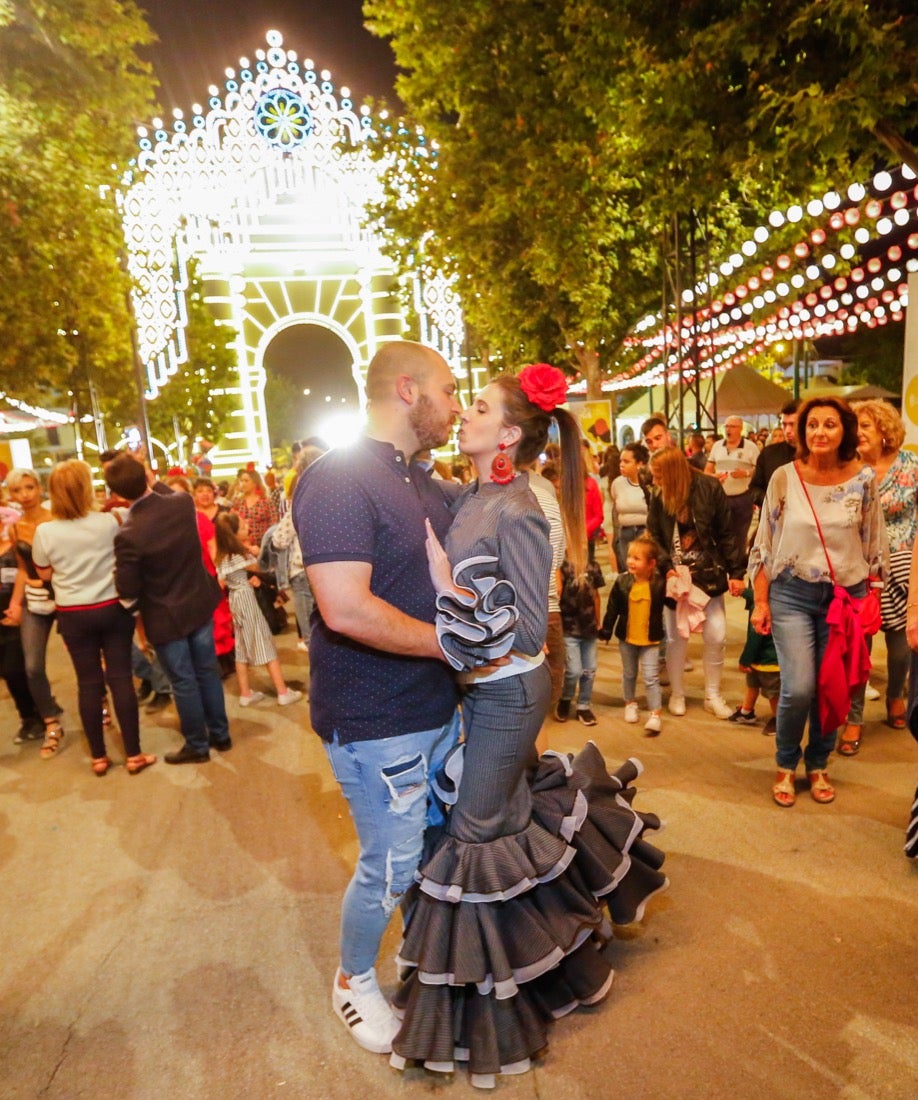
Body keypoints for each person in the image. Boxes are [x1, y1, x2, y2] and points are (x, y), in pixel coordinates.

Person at [391, 363, 667, 1087]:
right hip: (479, 694)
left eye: (478, 406)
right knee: (505, 825)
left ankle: (490, 1011)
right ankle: (563, 964)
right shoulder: (474, 494)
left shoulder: (519, 508)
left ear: (509, 434)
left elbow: (516, 629)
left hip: (508, 694)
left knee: (473, 842)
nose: (465, 414)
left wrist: (448, 598)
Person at [293, 340, 464, 1055]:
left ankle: (422, 957)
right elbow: (345, 608)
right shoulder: (338, 478)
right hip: (374, 717)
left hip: (436, 706)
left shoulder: (417, 478)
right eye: (451, 392)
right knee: (391, 862)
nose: (456, 405)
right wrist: (451, 645)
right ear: (407, 389)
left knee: (435, 848)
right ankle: (352, 979)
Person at [748, 397, 887, 808]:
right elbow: (764, 545)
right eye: (812, 425)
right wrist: (761, 601)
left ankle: (819, 763)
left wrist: (874, 597)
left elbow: (873, 542)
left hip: (846, 598)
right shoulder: (783, 478)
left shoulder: (863, 479)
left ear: (844, 430)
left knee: (833, 687)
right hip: (791, 593)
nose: (819, 432)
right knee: (799, 687)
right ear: (801, 431)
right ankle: (786, 763)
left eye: (829, 424)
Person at [105, 453, 231, 765]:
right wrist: (149, 475)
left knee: (184, 681)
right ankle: (221, 733)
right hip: (198, 601)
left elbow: (128, 588)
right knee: (207, 671)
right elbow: (165, 492)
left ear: (117, 494)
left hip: (164, 614)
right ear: (148, 477)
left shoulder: (129, 533)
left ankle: (197, 745)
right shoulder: (182, 503)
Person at [31, 461, 156, 775]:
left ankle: (99, 758)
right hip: (112, 607)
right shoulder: (110, 521)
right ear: (87, 487)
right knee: (121, 680)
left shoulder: (45, 531)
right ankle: (134, 754)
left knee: (88, 684)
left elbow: (43, 572)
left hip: (73, 613)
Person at [839, 399, 918, 753]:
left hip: (904, 568)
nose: (857, 433)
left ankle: (895, 696)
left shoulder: (912, 466)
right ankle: (853, 718)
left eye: (865, 426)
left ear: (884, 430)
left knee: (900, 649)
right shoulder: (849, 470)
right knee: (858, 650)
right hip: (861, 568)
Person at [647, 446, 745, 718]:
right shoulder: (659, 496)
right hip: (676, 578)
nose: (655, 482)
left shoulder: (709, 487)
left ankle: (712, 694)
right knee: (677, 637)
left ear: (673, 473)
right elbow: (654, 534)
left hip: (708, 574)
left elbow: (727, 533)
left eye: (659, 476)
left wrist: (737, 572)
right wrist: (666, 567)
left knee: (717, 634)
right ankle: (678, 693)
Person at [214, 512, 302, 706]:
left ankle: (246, 694)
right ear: (234, 533)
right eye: (243, 527)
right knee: (265, 643)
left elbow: (223, 580)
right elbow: (262, 568)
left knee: (242, 648)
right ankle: (282, 691)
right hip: (246, 600)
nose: (248, 528)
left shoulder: (222, 556)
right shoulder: (239, 555)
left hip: (235, 601)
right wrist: (257, 552)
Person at [5, 468, 64, 747]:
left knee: (85, 660)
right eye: (17, 490)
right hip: (33, 600)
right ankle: (50, 721)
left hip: (65, 595)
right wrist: (16, 604)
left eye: (29, 487)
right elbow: (20, 569)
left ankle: (101, 708)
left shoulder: (58, 518)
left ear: (39, 488)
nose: (25, 495)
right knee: (32, 667)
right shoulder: (16, 527)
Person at [599, 533, 666, 735]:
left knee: (651, 677)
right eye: (629, 557)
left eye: (636, 558)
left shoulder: (660, 584)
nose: (630, 561)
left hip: (650, 639)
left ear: (651, 563)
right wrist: (606, 630)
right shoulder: (622, 582)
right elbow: (612, 609)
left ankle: (655, 714)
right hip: (627, 639)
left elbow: (670, 604)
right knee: (629, 674)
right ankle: (630, 702)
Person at [0, 504, 43, 744]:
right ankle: (32, 713)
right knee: (6, 672)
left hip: (16, 612)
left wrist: (17, 605)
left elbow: (24, 573)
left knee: (14, 668)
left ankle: (34, 717)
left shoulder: (13, 539)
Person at [554, 555, 605, 726]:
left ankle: (584, 705)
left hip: (589, 627)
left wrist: (598, 621)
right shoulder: (562, 568)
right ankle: (566, 698)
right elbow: (558, 597)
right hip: (570, 628)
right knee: (573, 670)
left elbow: (596, 595)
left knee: (589, 669)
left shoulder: (593, 566)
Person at [729, 584, 780, 734]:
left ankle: (779, 720)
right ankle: (746, 711)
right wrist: (744, 591)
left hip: (769, 659)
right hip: (759, 658)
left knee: (773, 693)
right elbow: (757, 593)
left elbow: (755, 637)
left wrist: (744, 659)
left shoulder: (762, 608)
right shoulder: (769, 596)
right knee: (752, 684)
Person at [705, 415, 760, 553]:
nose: (728, 430)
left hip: (742, 497)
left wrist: (746, 473)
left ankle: (739, 566)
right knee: (720, 532)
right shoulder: (717, 446)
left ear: (740, 429)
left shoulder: (751, 447)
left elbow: (760, 471)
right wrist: (714, 477)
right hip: (721, 498)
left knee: (740, 535)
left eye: (732, 426)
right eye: (726, 426)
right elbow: (707, 471)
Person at [750, 399, 799, 506]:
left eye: (792, 424)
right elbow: (754, 489)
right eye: (784, 425)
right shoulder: (769, 453)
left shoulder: (817, 454)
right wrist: (771, 502)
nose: (787, 430)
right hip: (772, 517)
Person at [609, 442, 650, 571]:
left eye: (626, 461)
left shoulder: (649, 484)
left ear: (639, 464)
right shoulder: (617, 483)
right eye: (621, 461)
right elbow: (615, 508)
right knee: (628, 570)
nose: (621, 465)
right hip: (625, 532)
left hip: (645, 532)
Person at [232, 466, 276, 547]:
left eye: (246, 481)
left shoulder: (266, 502)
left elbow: (274, 524)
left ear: (255, 482)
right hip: (242, 547)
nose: (243, 484)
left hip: (263, 546)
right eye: (241, 481)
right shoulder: (237, 501)